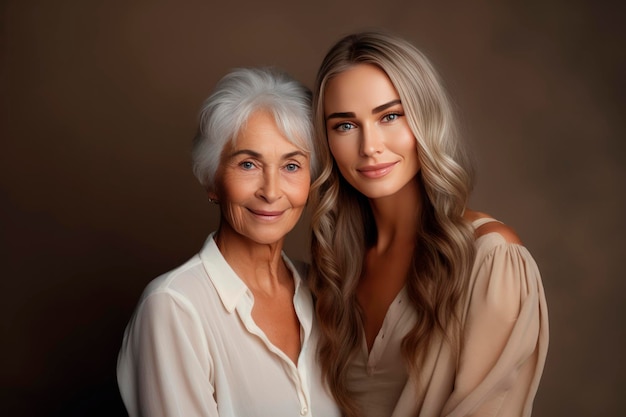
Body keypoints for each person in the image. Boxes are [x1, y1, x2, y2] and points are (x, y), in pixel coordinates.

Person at [308, 31, 549, 417]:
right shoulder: (333, 266)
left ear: (426, 118)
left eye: (390, 116)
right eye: (345, 125)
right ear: (327, 140)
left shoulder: (491, 259)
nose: (369, 146)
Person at [117, 67, 340, 417]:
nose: (270, 191)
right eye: (248, 164)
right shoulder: (174, 308)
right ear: (212, 180)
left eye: (292, 166)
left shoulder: (324, 292)